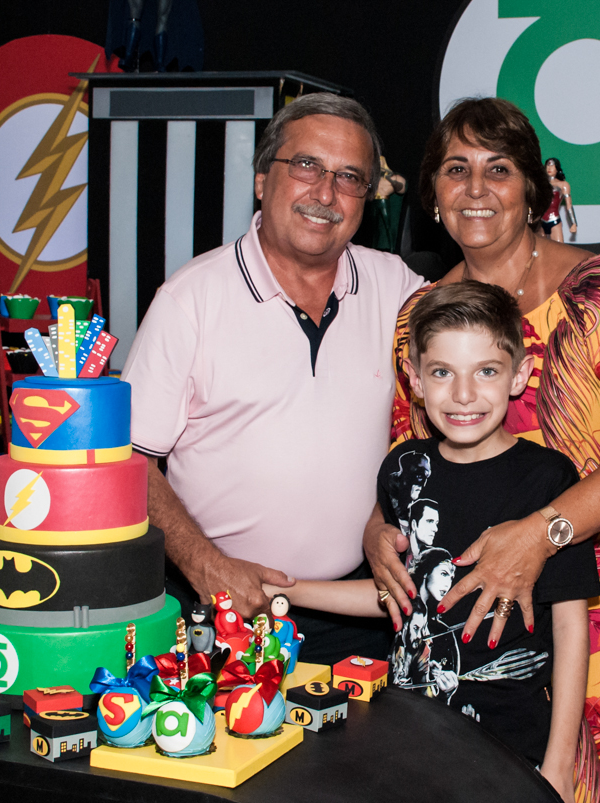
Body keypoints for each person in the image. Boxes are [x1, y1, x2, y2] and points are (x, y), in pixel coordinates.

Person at [364, 97, 600, 803]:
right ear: (431, 194)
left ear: (535, 192)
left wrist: (541, 534)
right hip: (473, 626)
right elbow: (409, 454)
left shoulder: (597, 293)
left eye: (499, 169)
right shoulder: (421, 315)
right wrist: (377, 530)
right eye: (456, 169)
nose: (476, 188)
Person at [121, 93, 426, 664]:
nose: (326, 194)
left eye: (350, 177)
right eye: (306, 165)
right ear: (262, 180)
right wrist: (204, 565)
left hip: (359, 616)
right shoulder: (191, 299)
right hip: (220, 609)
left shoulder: (397, 290)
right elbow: (129, 459)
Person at [283, 282, 599, 801]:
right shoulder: (403, 469)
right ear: (415, 379)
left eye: (487, 372)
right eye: (442, 372)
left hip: (509, 741)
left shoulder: (548, 480)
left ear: (520, 375)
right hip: (405, 736)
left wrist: (559, 764)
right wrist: (288, 588)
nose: (464, 395)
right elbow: (398, 596)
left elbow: (569, 625)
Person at [539, 158, 576, 242]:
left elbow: (569, 205)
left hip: (554, 220)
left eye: (552, 166)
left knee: (559, 249)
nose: (549, 168)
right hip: (540, 221)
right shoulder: (540, 184)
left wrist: (573, 223)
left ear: (557, 168)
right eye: (547, 166)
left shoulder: (563, 185)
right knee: (539, 249)